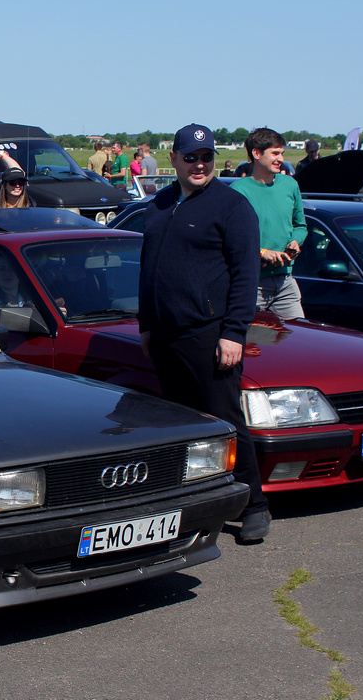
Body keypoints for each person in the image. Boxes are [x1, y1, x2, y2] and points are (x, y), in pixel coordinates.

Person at [138, 123, 269, 544]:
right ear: (174, 159)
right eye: (191, 157)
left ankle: (255, 506)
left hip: (209, 335)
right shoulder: (158, 205)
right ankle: (189, 502)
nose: (199, 164)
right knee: (178, 425)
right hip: (165, 335)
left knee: (226, 420)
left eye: (207, 157)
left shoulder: (232, 206)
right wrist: (145, 324)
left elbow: (246, 276)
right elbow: (146, 270)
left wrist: (233, 332)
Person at [231, 128, 307, 320]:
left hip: (285, 282)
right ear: (256, 153)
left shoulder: (290, 185)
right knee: (252, 345)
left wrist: (295, 242)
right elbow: (230, 239)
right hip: (251, 284)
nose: (280, 159)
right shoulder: (238, 191)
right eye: (275, 153)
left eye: (282, 153)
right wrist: (262, 252)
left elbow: (300, 226)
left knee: (296, 340)